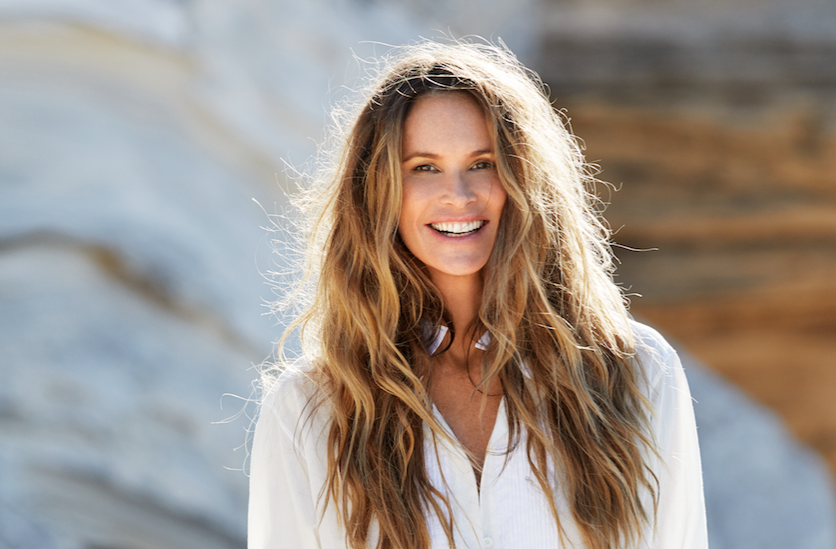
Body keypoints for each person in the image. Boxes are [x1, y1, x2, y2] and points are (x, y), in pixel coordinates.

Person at [248, 39, 707, 549]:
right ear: (377, 193)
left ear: (525, 179)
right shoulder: (309, 410)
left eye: (483, 163)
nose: (459, 195)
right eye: (424, 167)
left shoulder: (635, 371)